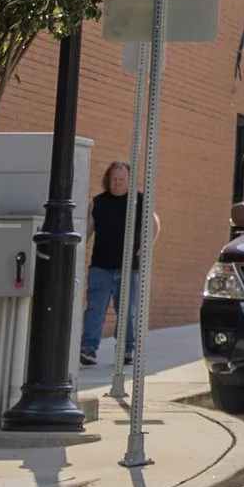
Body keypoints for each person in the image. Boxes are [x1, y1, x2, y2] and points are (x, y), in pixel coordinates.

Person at [80, 162, 146, 382]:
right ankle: (88, 349)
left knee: (128, 311)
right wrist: (78, 250)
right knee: (95, 309)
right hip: (101, 265)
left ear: (129, 180)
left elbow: (153, 224)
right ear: (108, 179)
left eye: (121, 180)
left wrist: (145, 248)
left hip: (129, 267)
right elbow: (88, 229)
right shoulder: (98, 203)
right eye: (114, 179)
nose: (116, 183)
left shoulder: (139, 201)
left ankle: (127, 350)